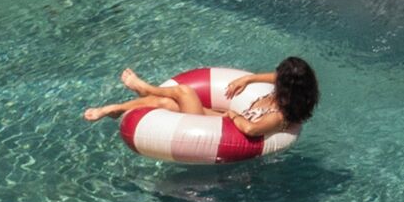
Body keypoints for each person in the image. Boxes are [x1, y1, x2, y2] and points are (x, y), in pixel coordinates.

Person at [84, 55, 320, 162]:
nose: (274, 76)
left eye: (279, 77)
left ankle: (144, 88)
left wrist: (232, 114)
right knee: (166, 104)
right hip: (222, 120)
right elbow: (275, 76)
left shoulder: (280, 116)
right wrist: (248, 79)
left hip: (225, 129)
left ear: (286, 87)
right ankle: (115, 109)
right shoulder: (290, 90)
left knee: (184, 92)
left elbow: (251, 129)